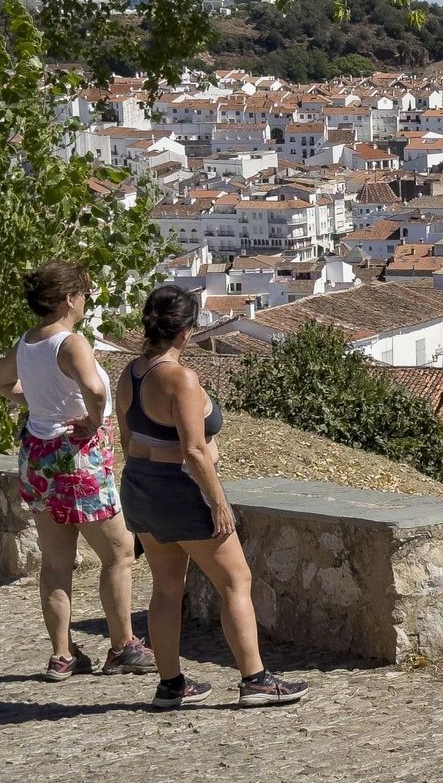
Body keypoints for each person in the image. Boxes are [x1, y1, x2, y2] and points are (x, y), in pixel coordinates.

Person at [117, 284, 308, 709]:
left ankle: (171, 685)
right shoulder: (180, 378)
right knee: (236, 582)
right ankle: (255, 679)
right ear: (187, 330)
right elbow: (193, 450)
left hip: (140, 485)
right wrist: (218, 501)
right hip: (180, 489)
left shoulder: (130, 372)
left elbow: (129, 439)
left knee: (166, 588)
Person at [0, 261, 156, 681]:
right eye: (82, 294)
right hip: (76, 458)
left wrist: (35, 405)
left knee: (56, 560)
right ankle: (123, 647)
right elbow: (96, 388)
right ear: (68, 299)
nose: (85, 301)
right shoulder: (71, 342)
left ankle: (62, 655)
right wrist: (91, 417)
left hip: (37, 456)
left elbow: (0, 381)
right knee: (119, 551)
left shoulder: (27, 342)